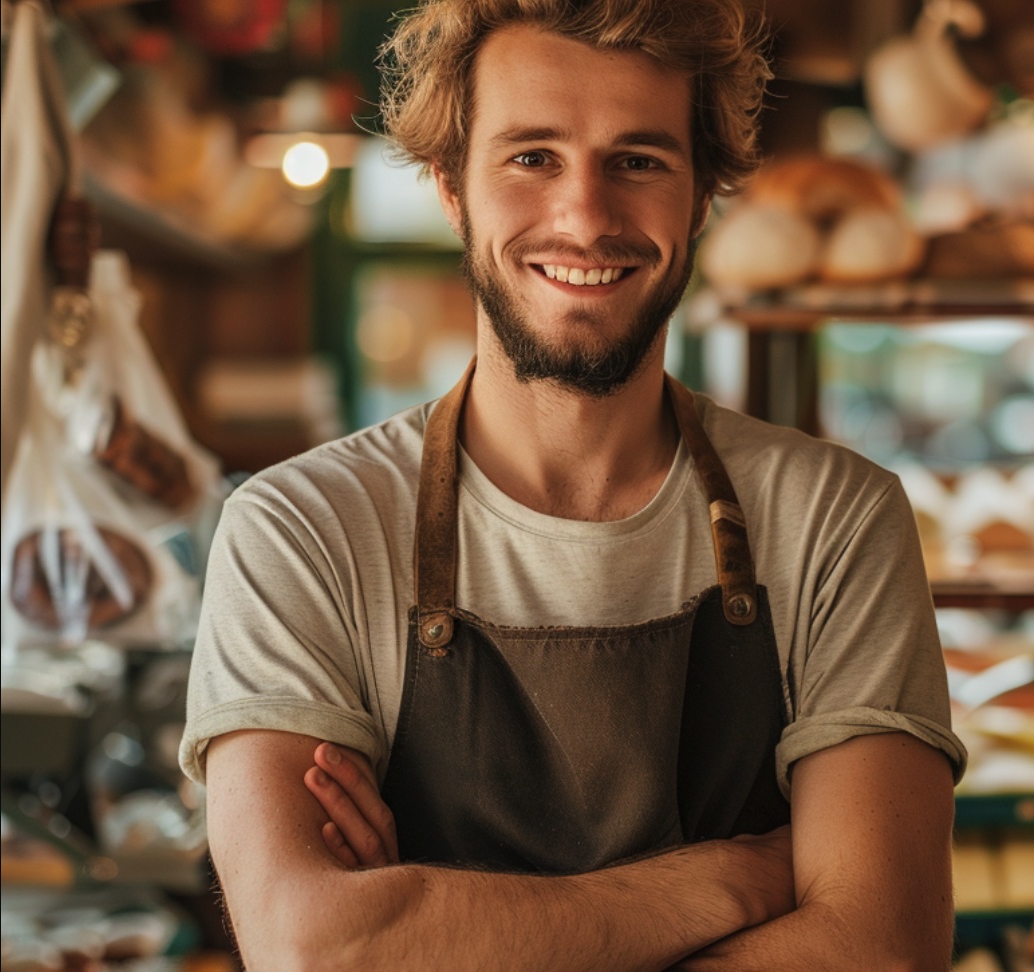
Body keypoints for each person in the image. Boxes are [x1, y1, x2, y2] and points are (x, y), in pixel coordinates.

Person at [181, 1, 966, 969]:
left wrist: (425, 931)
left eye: (638, 159)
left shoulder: (835, 520)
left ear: (702, 195)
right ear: (450, 188)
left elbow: (881, 949)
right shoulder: (303, 532)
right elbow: (314, 951)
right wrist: (736, 881)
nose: (586, 217)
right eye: (531, 157)